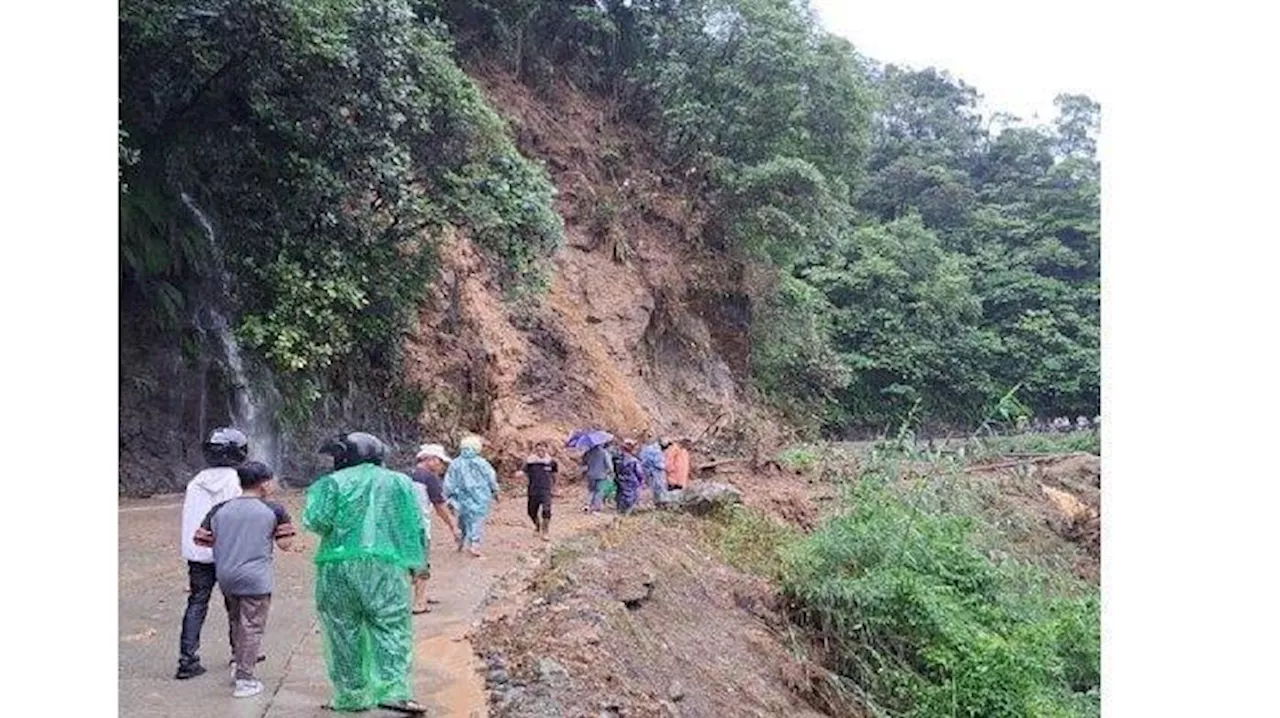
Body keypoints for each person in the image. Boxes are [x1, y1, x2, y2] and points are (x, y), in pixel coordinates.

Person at [304, 432, 427, 715]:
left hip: (338, 565)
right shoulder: (400, 482)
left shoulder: (331, 483)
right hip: (386, 565)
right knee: (391, 626)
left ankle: (351, 695)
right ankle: (395, 691)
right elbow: (413, 525)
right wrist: (416, 564)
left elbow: (317, 521)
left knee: (342, 630)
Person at [192, 461, 296, 698]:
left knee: (236, 621)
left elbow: (201, 541)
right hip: (256, 578)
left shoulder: (219, 509)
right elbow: (286, 544)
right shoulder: (274, 510)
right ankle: (245, 680)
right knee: (252, 627)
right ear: (265, 483)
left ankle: (237, 664)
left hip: (227, 575)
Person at [175, 427, 248, 680]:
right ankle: (240, 653)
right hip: (228, 552)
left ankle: (187, 659)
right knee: (236, 605)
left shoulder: (196, 481)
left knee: (196, 603)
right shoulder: (236, 482)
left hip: (197, 553)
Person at [408, 443, 459, 614]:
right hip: (419, 525)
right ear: (429, 459)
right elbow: (440, 506)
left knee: (405, 561)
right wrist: (453, 527)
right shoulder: (429, 478)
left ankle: (417, 595)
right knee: (421, 562)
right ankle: (419, 602)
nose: (441, 466)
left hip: (400, 525)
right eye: (439, 461)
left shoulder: (406, 474)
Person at [443, 434, 500, 558]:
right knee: (477, 520)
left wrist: (447, 496)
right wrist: (495, 491)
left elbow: (449, 481)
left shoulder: (455, 463)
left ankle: (460, 542)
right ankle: (474, 544)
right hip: (480, 496)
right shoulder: (481, 463)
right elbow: (491, 478)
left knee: (462, 519)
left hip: (461, 496)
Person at [523, 441, 558, 541]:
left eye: (542, 450)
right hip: (533, 490)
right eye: (538, 450)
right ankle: (537, 526)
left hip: (546, 490)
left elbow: (555, 475)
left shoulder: (551, 462)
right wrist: (520, 473)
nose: (540, 452)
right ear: (535, 451)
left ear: (547, 450)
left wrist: (554, 487)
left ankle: (545, 531)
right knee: (531, 512)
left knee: (546, 511)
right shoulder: (530, 462)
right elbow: (524, 471)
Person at [615, 439, 645, 515]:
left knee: (621, 496)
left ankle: (621, 512)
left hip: (620, 480)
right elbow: (639, 473)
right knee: (631, 498)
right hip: (631, 481)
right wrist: (641, 481)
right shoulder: (633, 460)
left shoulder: (617, 459)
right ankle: (628, 513)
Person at [581, 440, 611, 513]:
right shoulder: (604, 453)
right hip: (601, 475)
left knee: (591, 491)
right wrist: (610, 472)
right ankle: (595, 507)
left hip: (590, 474)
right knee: (599, 491)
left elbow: (584, 462)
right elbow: (609, 464)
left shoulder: (588, 452)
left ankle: (587, 505)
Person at [638, 437, 669, 507]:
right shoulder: (656, 451)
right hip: (655, 473)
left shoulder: (646, 448)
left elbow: (642, 459)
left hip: (648, 472)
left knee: (652, 488)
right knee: (659, 489)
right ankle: (659, 504)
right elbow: (659, 464)